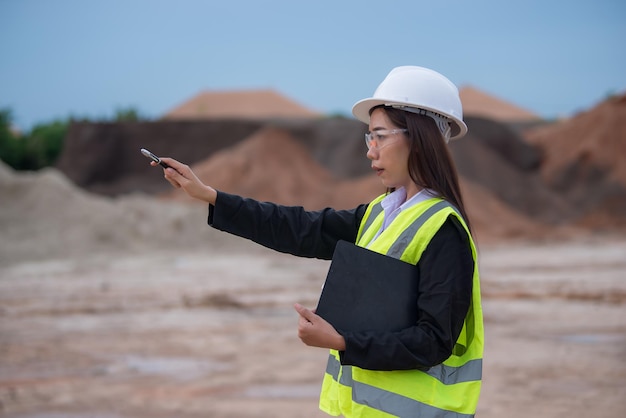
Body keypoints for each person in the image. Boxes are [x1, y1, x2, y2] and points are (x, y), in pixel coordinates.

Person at [152, 66, 484, 418]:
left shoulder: (443, 230)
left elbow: (433, 341)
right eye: (368, 138)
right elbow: (300, 228)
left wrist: (342, 342)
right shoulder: (379, 215)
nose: (371, 151)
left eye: (380, 136)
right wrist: (211, 195)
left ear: (419, 137)